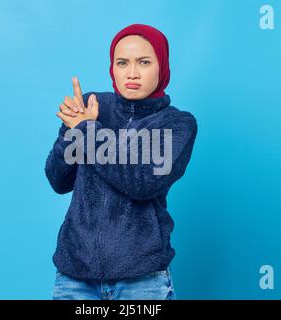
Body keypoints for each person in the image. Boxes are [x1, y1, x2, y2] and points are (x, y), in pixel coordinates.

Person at [45, 23, 198, 300]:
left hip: (141, 279)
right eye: (122, 62)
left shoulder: (177, 124)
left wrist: (85, 130)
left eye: (144, 62)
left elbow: (143, 181)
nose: (132, 73)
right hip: (75, 276)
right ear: (112, 67)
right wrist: (70, 130)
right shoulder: (93, 106)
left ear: (161, 67)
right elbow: (59, 179)